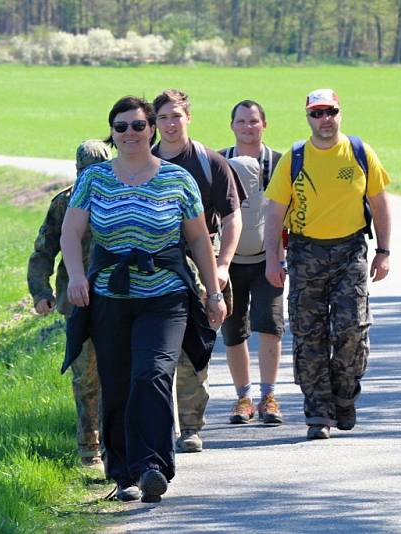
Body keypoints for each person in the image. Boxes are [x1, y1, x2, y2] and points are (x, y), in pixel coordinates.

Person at [61, 96, 224, 503]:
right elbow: (71, 231)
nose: (130, 133)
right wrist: (77, 277)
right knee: (116, 383)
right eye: (121, 127)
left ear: (151, 129)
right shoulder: (94, 179)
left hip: (164, 294)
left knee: (151, 373)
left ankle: (153, 465)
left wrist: (214, 292)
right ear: (113, 134)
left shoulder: (177, 180)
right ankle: (125, 474)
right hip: (109, 297)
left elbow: (199, 239)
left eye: (137, 125)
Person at [264, 88, 392, 440]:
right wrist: (273, 257)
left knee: (352, 329)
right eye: (317, 113)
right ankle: (318, 413)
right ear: (308, 117)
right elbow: (274, 211)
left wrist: (384, 251)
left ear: (340, 112)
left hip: (351, 250)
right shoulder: (295, 157)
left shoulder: (360, 152)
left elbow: (379, 203)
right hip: (305, 253)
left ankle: (344, 394)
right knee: (309, 335)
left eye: (330, 112)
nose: (325, 120)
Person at [151, 89, 244, 452]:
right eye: (162, 118)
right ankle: (160, 425)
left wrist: (221, 267)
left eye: (176, 116)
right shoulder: (146, 161)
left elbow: (233, 217)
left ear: (188, 117)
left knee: (195, 345)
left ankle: (190, 427)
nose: (170, 124)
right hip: (158, 262)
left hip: (203, 259)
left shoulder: (210, 162)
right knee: (157, 348)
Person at [27, 139, 112, 471]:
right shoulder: (64, 203)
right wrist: (40, 291)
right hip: (76, 303)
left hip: (116, 299)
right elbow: (43, 251)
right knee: (85, 376)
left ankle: (112, 444)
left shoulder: (121, 196)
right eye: (85, 172)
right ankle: (87, 445)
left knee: (115, 374)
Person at [219, 100, 285, 425]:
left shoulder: (280, 163)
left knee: (270, 328)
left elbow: (290, 213)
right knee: (233, 332)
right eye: (242, 121)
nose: (248, 127)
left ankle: (269, 396)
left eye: (254, 121)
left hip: (268, 260)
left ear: (264, 124)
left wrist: (283, 258)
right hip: (228, 263)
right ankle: (243, 398)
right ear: (232, 125)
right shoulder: (219, 163)